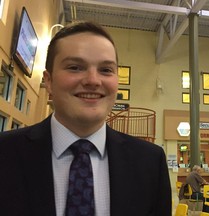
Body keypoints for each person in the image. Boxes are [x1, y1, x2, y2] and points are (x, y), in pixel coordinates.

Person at [0, 21, 171, 216]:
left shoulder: (149, 162)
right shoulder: (5, 154)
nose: (92, 80)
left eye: (106, 70)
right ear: (49, 81)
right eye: (75, 67)